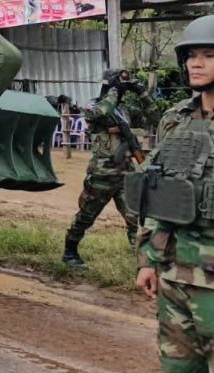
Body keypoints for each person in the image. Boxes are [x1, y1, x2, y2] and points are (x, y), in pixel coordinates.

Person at [133, 14, 214, 373]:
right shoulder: (175, 118)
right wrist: (149, 258)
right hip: (175, 276)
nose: (196, 63)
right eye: (191, 55)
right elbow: (157, 194)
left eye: (209, 55)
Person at [62, 67, 153, 267]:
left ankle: (139, 259)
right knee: (86, 216)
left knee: (135, 217)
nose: (122, 88)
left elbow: (153, 115)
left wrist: (141, 91)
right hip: (102, 174)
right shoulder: (94, 106)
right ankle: (69, 252)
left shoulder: (124, 110)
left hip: (126, 173)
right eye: (119, 83)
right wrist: (114, 89)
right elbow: (103, 110)